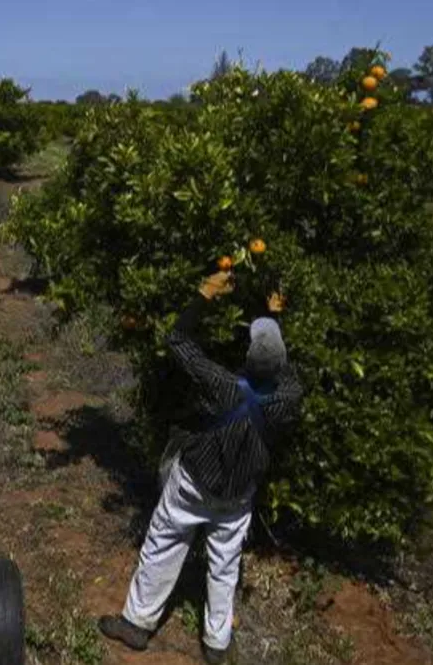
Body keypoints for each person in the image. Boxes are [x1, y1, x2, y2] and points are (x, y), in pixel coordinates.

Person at [99, 270, 303, 664]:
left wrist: (203, 296)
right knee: (225, 566)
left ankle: (137, 624)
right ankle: (216, 643)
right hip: (236, 498)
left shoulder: (222, 385)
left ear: (246, 356)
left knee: (164, 545)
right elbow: (283, 367)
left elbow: (178, 342)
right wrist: (275, 317)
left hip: (193, 485)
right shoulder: (290, 397)